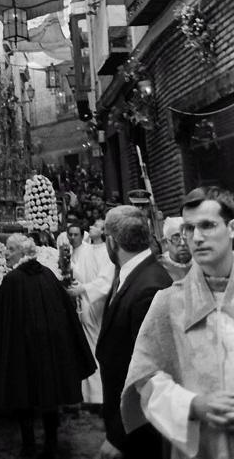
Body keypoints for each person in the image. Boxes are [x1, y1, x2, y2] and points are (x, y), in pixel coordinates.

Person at [122, 186, 234, 459]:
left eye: (207, 225)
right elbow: (145, 378)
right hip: (201, 446)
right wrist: (192, 405)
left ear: (231, 228)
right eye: (188, 228)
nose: (195, 238)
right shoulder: (169, 303)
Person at [0, 233, 95, 458]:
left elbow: (2, 315)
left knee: (23, 394)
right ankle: (51, 443)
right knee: (48, 395)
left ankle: (28, 445)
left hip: (23, 349)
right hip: (49, 348)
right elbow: (64, 308)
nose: (6, 253)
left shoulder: (13, 280)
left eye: (10, 249)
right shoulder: (48, 274)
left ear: (23, 253)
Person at [95, 205, 171, 459]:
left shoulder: (148, 286)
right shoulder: (131, 274)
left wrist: (119, 436)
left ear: (111, 242)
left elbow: (149, 371)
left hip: (138, 432)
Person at [67, 219, 115, 406]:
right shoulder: (86, 248)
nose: (91, 228)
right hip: (85, 299)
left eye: (96, 226)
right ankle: (89, 394)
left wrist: (84, 289)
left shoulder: (106, 251)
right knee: (87, 344)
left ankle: (100, 395)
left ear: (103, 232)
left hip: (96, 301)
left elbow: (105, 280)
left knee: (96, 343)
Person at [158, 215, 192, 281]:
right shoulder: (159, 270)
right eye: (176, 238)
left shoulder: (202, 263)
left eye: (186, 237)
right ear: (165, 243)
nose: (182, 243)